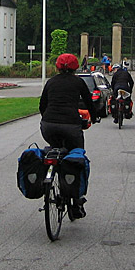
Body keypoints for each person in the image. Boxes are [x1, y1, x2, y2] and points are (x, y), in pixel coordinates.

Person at [39, 53, 99, 218]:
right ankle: (77, 201)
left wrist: (47, 119)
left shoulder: (51, 82)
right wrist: (94, 118)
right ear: (75, 68)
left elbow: (42, 105)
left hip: (48, 127)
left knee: (54, 149)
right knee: (77, 159)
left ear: (58, 67)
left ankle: (48, 175)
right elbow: (88, 102)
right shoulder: (78, 82)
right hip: (71, 127)